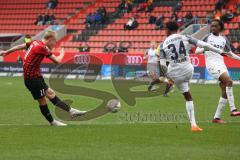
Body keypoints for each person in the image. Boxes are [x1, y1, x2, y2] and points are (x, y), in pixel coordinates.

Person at [0, 31, 86, 126]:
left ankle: (71, 111)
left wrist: (6, 52)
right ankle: (52, 122)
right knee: (42, 100)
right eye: (55, 42)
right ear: (50, 40)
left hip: (36, 77)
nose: (55, 44)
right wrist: (62, 53)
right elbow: (57, 61)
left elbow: (20, 46)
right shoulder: (42, 47)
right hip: (33, 80)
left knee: (50, 93)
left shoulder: (35, 42)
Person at [161, 21, 226, 132]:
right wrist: (219, 50)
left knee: (185, 94)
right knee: (189, 96)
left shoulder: (163, 44)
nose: (164, 30)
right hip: (188, 70)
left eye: (165, 28)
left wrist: (168, 76)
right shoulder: (185, 37)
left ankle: (169, 83)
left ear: (167, 29)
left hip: (175, 73)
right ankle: (193, 125)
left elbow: (162, 64)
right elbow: (204, 45)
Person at [195, 19, 240, 123]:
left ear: (220, 27)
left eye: (215, 26)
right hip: (211, 65)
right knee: (229, 81)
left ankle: (217, 118)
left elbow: (230, 54)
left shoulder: (224, 39)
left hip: (221, 65)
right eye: (212, 26)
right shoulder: (207, 37)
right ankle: (233, 109)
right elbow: (197, 51)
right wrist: (205, 48)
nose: (213, 28)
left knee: (225, 92)